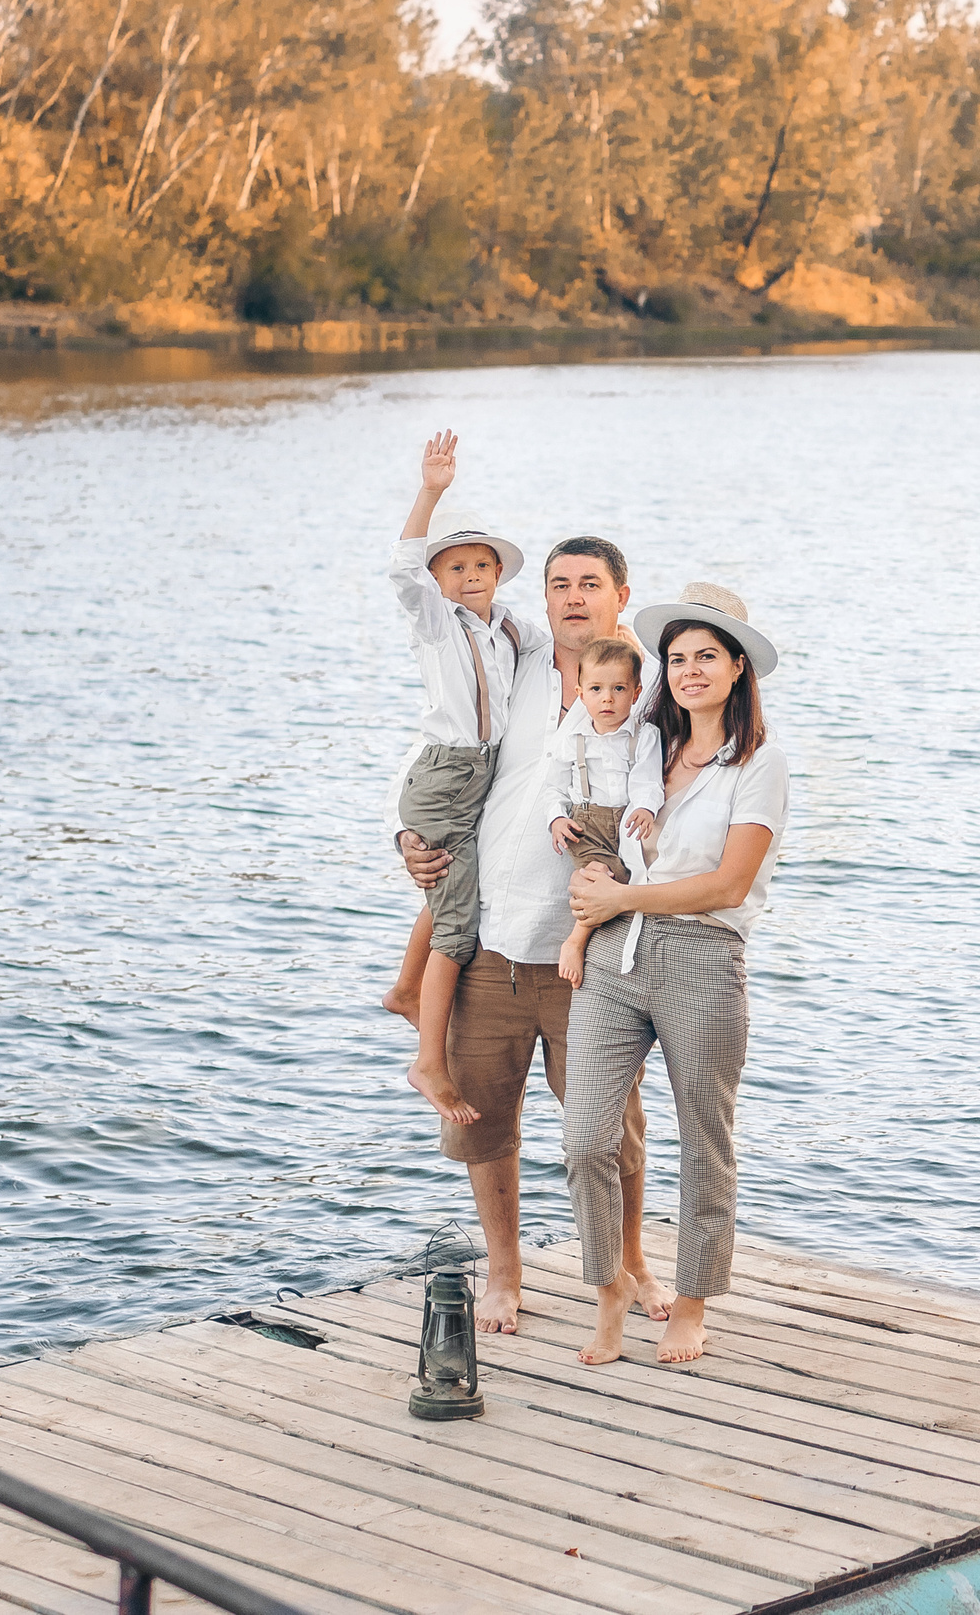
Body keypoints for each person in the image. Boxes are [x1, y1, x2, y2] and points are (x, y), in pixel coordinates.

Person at [395, 533, 665, 1334]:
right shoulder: (512, 661)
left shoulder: (651, 695)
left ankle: (631, 1261)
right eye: (559, 584)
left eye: (590, 583)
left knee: (612, 1129)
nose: (574, 597)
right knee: (484, 1118)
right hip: (492, 940)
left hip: (595, 949)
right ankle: (504, 1274)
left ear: (621, 593)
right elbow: (439, 746)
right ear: (543, 597)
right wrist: (406, 838)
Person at [561, 583, 788, 1365]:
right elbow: (589, 811)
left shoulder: (757, 766)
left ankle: (692, 1303)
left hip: (702, 958)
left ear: (736, 669)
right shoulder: (641, 748)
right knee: (585, 1138)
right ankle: (611, 1286)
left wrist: (623, 892)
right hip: (614, 954)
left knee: (703, 1141)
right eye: (678, 658)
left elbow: (728, 884)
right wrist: (589, 907)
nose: (690, 670)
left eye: (706, 658)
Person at [385, 430, 545, 1124]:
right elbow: (401, 570)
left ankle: (403, 988)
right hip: (447, 774)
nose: (472, 574)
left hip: (473, 777)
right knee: (459, 926)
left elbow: (571, 643)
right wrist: (431, 491)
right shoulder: (437, 623)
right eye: (456, 567)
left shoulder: (511, 627)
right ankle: (429, 1060)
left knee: (455, 893)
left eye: (483, 564)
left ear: (499, 573)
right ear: (439, 578)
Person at [544, 636, 662, 987]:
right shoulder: (573, 738)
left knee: (629, 876)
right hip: (586, 825)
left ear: (637, 692)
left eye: (618, 688)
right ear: (581, 693)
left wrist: (644, 807)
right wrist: (556, 818)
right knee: (602, 874)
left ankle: (606, 942)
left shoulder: (645, 736)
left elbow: (649, 780)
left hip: (628, 820)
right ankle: (576, 940)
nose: (607, 698)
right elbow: (553, 786)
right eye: (596, 688)